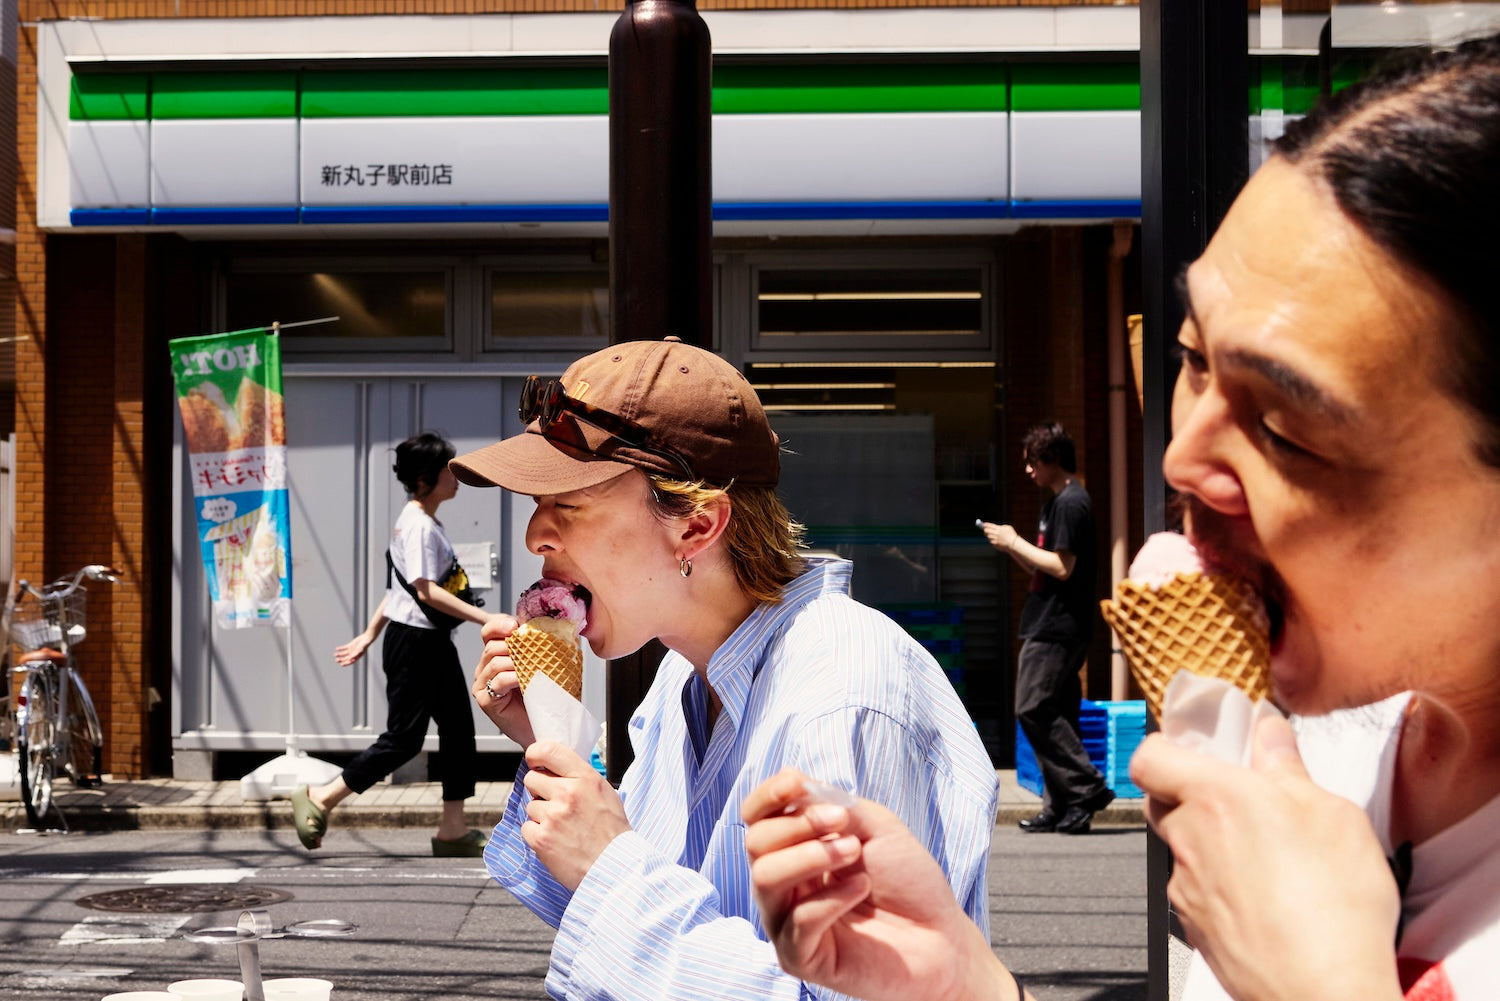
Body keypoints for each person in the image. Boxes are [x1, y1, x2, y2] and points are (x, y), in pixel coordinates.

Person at [743, 32, 1500, 1001]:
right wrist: (966, 982)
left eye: (1285, 427)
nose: (1183, 458)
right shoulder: (1313, 740)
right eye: (1194, 358)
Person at [452, 336, 999, 1000]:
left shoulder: (843, 697)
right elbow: (617, 937)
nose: (535, 534)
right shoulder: (681, 674)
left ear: (696, 525)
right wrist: (550, 740)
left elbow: (847, 993)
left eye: (567, 505)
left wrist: (612, 866)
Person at [290, 432, 510, 857]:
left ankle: (452, 829)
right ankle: (322, 797)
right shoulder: (418, 526)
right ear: (426, 479)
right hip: (415, 643)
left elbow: (398, 590)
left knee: (458, 731)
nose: (455, 476)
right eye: (448, 469)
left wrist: (369, 635)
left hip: (426, 640)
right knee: (404, 739)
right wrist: (488, 618)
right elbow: (425, 591)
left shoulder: (419, 522)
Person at [980, 422, 1113, 834]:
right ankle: (1063, 807)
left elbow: (1062, 567)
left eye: (1032, 462)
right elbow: (1045, 567)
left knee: (1032, 707)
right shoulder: (1056, 502)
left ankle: (1088, 787)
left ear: (1051, 458)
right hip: (1052, 620)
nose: (1028, 470)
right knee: (1059, 713)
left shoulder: (1072, 503)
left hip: (1057, 625)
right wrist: (1011, 548)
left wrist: (1014, 540)